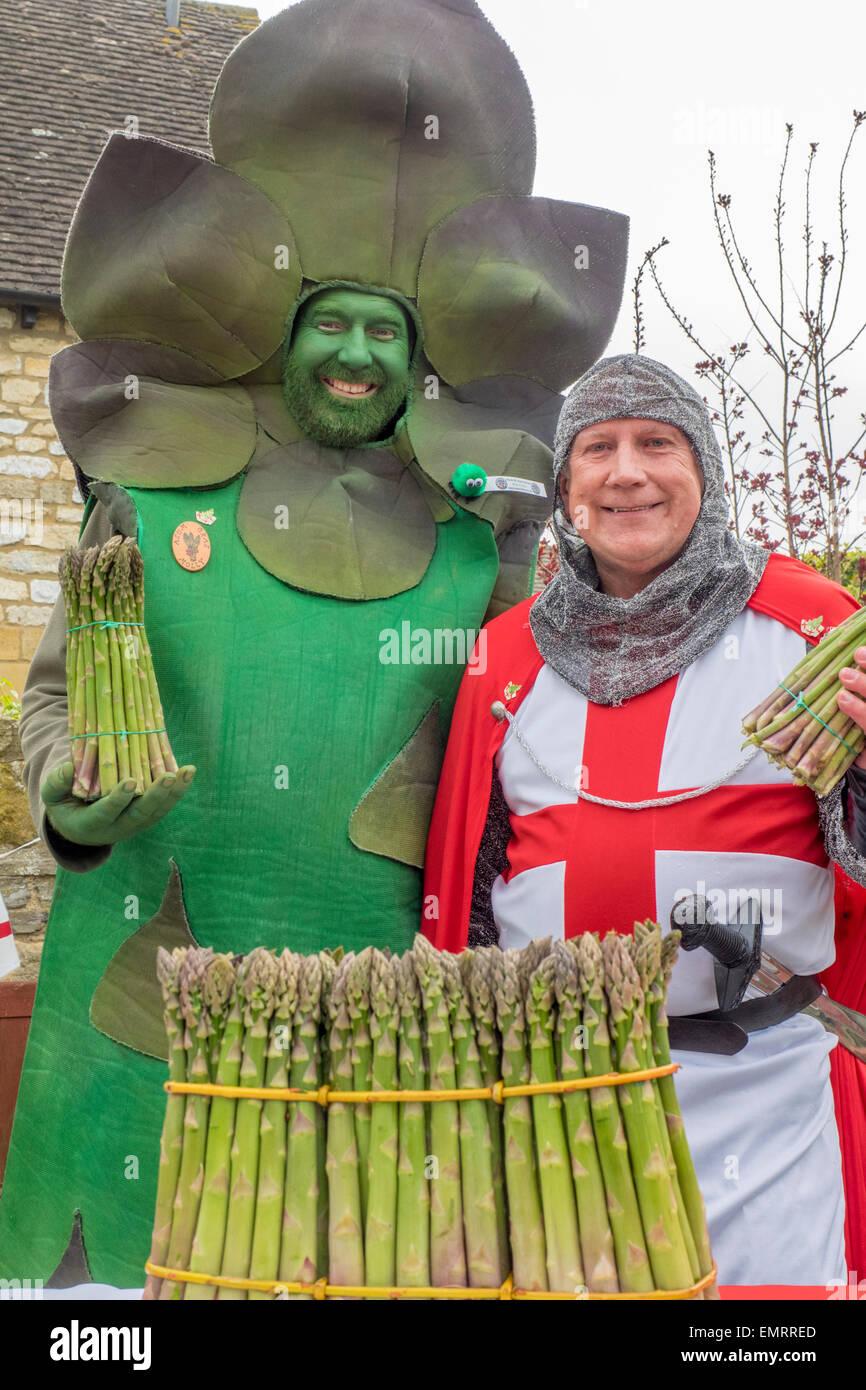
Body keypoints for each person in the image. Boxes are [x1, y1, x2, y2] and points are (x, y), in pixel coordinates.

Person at [0, 0, 627, 1289]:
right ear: (284, 339)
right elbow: (56, 698)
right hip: (136, 982)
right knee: (111, 1302)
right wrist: (68, 788)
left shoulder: (483, 548)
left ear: (416, 362)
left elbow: (550, 744)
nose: (352, 351)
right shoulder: (151, 502)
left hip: (384, 1011)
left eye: (381, 332)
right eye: (329, 324)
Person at [423, 353, 866, 1287]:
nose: (627, 471)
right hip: (558, 1083)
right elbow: (466, 875)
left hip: (759, 1083)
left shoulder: (813, 627)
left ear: (703, 468)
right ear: (567, 487)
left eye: (657, 443)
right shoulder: (507, 657)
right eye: (597, 450)